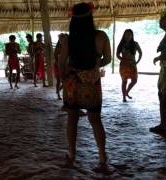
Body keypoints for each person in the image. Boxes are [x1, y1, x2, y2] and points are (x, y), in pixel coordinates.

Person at [58, 2, 111, 171]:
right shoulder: (101, 36)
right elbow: (108, 59)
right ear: (90, 17)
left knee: (72, 119)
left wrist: (65, 76)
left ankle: (71, 154)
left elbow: (60, 62)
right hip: (92, 82)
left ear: (73, 19)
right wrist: (95, 65)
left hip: (73, 82)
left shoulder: (68, 40)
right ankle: (102, 157)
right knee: (95, 120)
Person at [116, 29, 142, 102]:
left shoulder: (135, 44)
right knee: (124, 81)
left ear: (132, 36)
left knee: (134, 80)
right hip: (124, 65)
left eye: (130, 35)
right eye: (126, 34)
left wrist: (137, 61)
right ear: (124, 35)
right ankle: (124, 97)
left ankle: (127, 92)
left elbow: (140, 53)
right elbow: (117, 55)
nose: (128, 36)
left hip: (132, 65)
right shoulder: (121, 44)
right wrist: (122, 59)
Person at [53, 33, 68, 100]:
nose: (62, 40)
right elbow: (56, 58)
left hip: (65, 65)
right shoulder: (57, 48)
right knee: (59, 80)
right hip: (57, 65)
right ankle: (58, 94)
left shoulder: (67, 47)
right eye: (60, 39)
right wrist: (59, 65)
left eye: (63, 39)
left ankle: (59, 91)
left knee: (66, 80)